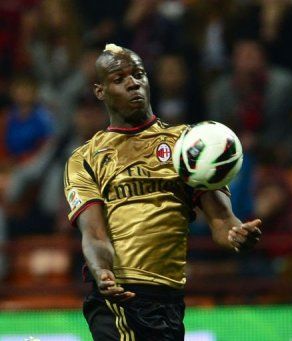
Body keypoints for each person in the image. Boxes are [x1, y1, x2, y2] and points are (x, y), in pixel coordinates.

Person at [63, 44, 262, 340]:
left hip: (169, 301)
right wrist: (101, 270)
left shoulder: (188, 144)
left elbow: (222, 221)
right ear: (100, 91)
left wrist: (237, 235)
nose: (132, 83)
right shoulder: (86, 158)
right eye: (119, 79)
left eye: (139, 74)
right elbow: (94, 235)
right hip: (120, 298)